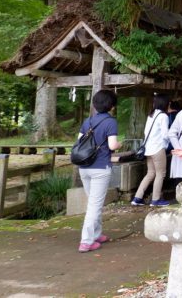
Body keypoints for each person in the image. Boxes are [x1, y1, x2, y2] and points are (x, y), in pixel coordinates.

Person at [77, 89, 121, 253]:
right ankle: (86, 241)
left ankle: (96, 234)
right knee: (94, 206)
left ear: (95, 105)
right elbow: (112, 145)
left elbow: (79, 142)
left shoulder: (88, 121)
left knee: (93, 203)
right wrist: (119, 144)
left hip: (84, 167)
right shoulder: (111, 122)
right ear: (111, 106)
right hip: (100, 168)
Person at [131, 94, 171, 207]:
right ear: (165, 103)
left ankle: (137, 198)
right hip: (158, 148)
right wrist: (170, 141)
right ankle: (156, 199)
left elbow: (146, 132)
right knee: (160, 174)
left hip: (148, 148)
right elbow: (165, 135)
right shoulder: (163, 116)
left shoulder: (151, 115)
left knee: (150, 173)